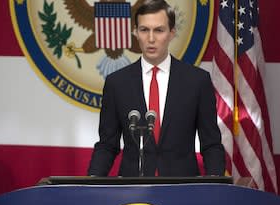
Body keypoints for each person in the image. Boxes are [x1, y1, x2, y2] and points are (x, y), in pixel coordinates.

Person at [88, 0, 225, 177]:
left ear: (171, 33)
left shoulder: (197, 81)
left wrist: (216, 184)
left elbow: (211, 143)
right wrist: (91, 181)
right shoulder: (117, 83)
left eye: (159, 30)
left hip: (182, 187)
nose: (151, 38)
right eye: (144, 30)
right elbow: (107, 144)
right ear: (135, 32)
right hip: (133, 190)